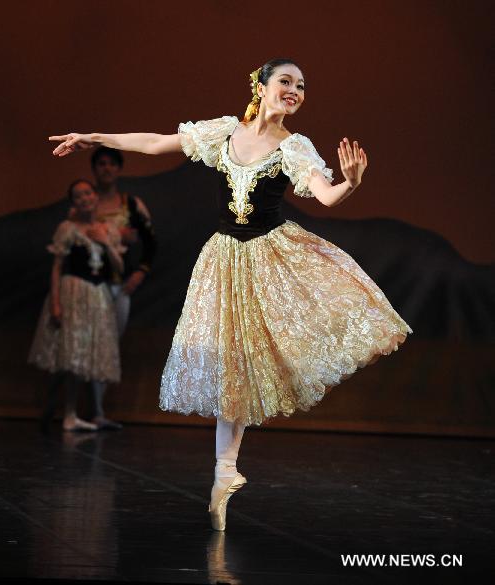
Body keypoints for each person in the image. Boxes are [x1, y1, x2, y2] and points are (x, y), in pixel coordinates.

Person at [49, 58, 411, 531]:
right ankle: (224, 472)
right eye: (286, 81)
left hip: (270, 257)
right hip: (223, 260)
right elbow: (157, 142)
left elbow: (325, 196)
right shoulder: (223, 133)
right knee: (228, 363)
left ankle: (225, 468)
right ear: (261, 87)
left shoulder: (295, 147)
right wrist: (95, 137)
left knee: (249, 359)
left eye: (301, 86)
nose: (295, 90)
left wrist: (352, 182)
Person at [29, 179, 124, 432]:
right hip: (73, 292)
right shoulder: (68, 229)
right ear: (73, 202)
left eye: (88, 193)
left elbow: (119, 267)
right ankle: (69, 414)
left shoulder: (107, 229)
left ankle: (53, 407)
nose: (84, 199)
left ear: (95, 196)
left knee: (79, 356)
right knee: (71, 355)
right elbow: (57, 267)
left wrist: (105, 242)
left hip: (97, 295)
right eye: (78, 196)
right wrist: (55, 303)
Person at [86, 146, 156, 430]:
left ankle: (98, 410)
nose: (106, 169)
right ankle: (90, 410)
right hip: (89, 285)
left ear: (118, 169)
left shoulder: (131, 205)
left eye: (111, 164)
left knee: (110, 344)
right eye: (101, 164)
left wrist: (140, 272)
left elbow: (151, 243)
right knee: (90, 344)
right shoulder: (85, 202)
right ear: (94, 169)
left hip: (119, 285)